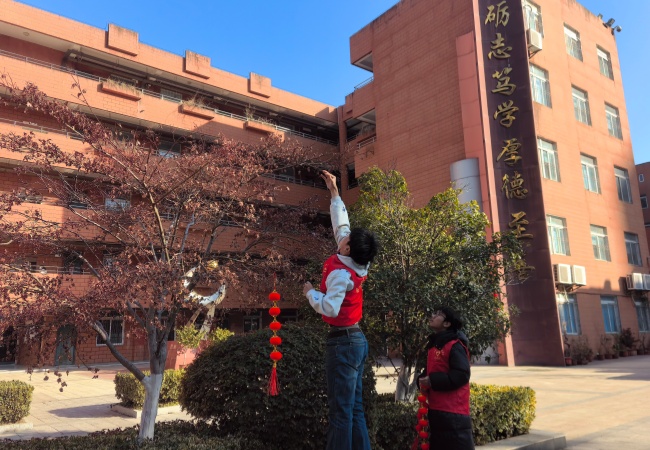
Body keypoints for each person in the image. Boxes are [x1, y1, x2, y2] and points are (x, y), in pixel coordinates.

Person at [303, 170, 378, 450]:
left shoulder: (340, 275)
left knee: (340, 413)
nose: (342, 238)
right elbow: (341, 225)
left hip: (343, 343)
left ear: (347, 251)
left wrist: (310, 292)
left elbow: (331, 308)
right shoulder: (358, 260)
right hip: (356, 340)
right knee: (354, 408)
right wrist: (334, 191)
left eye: (346, 241)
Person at [418, 307, 475, 450]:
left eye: (438, 314)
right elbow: (433, 370)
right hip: (437, 410)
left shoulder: (454, 345)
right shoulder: (435, 345)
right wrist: (423, 379)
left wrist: (432, 380)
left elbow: (462, 374)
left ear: (447, 324)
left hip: (454, 414)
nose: (432, 316)